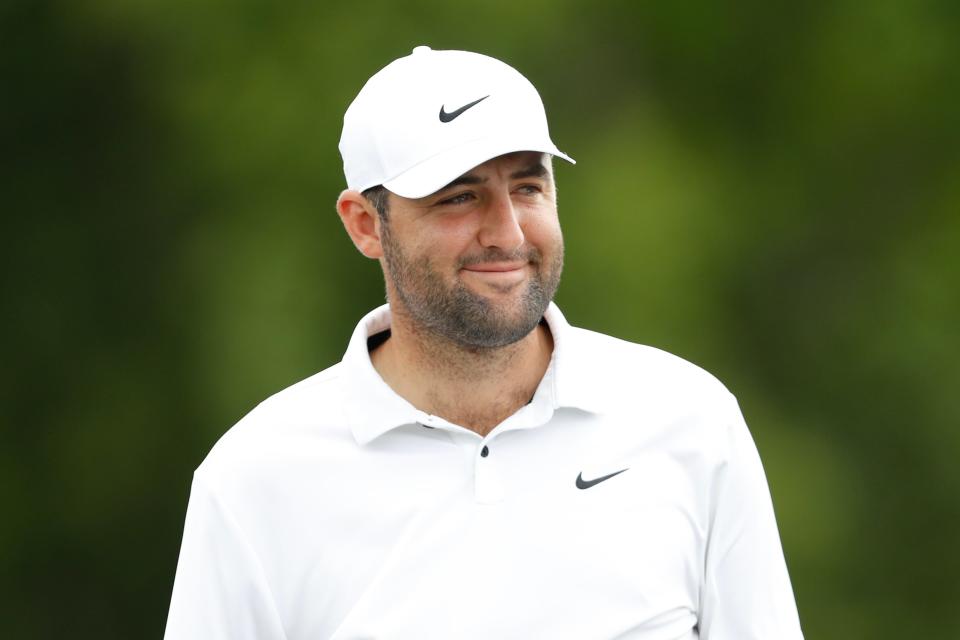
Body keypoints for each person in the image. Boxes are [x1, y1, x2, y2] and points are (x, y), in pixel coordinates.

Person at [164, 46, 804, 639]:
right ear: (365, 224)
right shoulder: (255, 478)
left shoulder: (689, 421)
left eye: (527, 187)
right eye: (459, 197)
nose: (507, 233)